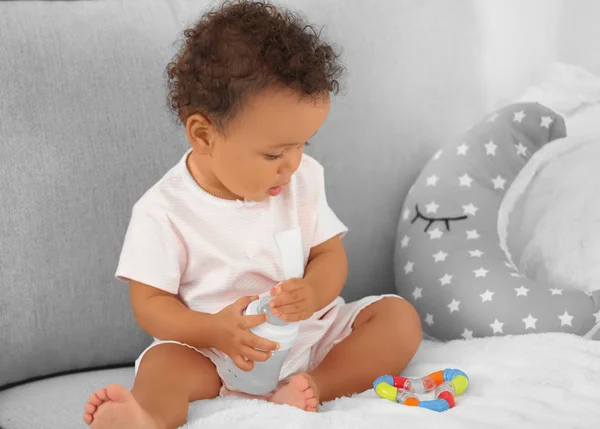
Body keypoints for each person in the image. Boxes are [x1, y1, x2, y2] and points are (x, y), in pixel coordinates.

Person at [82, 1, 421, 428]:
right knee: (163, 365)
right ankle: (145, 417)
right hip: (215, 352)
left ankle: (314, 385)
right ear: (204, 135)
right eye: (275, 152)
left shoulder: (302, 180)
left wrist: (313, 294)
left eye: (304, 145)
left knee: (398, 320)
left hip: (306, 338)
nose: (292, 164)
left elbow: (330, 256)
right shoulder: (163, 211)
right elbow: (149, 305)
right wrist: (211, 330)